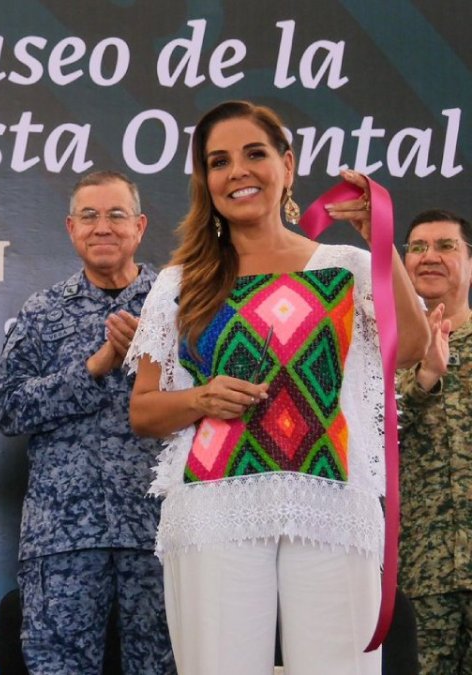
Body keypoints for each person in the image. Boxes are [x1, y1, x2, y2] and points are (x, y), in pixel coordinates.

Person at [126, 100, 428, 674]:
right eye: (218, 161)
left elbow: (408, 348)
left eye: (254, 154)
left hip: (331, 502)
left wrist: (378, 238)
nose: (237, 171)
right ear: (205, 181)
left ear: (287, 166)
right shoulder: (179, 282)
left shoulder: (345, 265)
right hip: (215, 506)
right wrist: (200, 398)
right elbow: (143, 411)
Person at [0, 170, 173, 674]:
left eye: (116, 215)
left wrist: (157, 359)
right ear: (70, 229)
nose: (103, 227)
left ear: (139, 226)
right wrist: (94, 368)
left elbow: (208, 402)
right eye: (89, 216)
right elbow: (6, 408)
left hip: (159, 532)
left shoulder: (176, 305)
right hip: (63, 538)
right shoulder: (43, 312)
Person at [396, 208, 472, 672]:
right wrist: (422, 376)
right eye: (417, 247)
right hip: (423, 569)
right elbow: (368, 438)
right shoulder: (380, 346)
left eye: (445, 246)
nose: (430, 257)